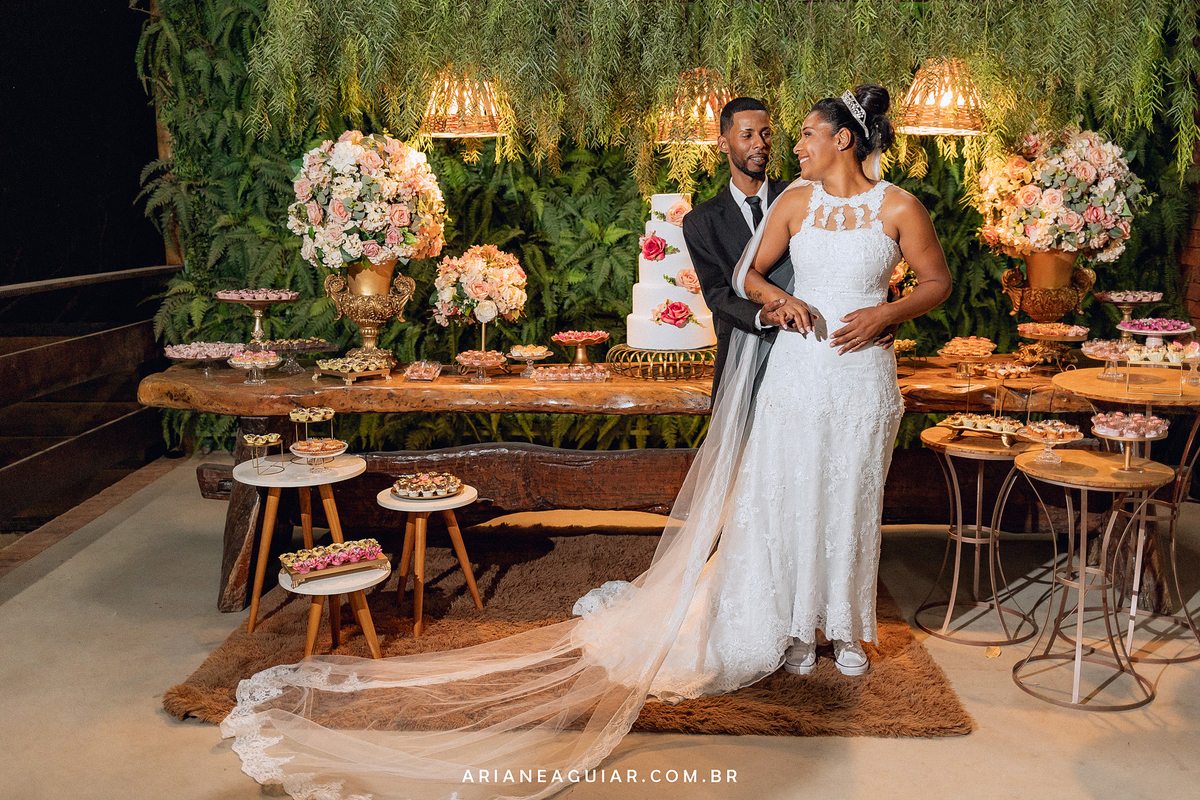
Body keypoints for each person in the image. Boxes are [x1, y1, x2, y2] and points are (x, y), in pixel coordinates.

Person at [220, 85, 950, 800]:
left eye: (806, 133)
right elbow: (745, 278)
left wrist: (884, 316)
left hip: (861, 380)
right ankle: (791, 631)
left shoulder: (898, 206)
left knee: (850, 500)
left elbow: (935, 281)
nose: (792, 143)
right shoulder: (795, 201)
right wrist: (781, 301)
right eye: (775, 134)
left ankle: (844, 630)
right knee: (786, 500)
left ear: (843, 139)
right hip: (796, 373)